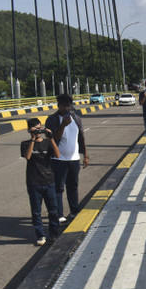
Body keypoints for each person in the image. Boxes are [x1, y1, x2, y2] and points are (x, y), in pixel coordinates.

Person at [46, 94, 89, 222]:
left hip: (74, 159)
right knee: (58, 188)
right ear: (58, 106)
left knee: (73, 186)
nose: (67, 108)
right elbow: (53, 139)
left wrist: (85, 155)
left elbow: (81, 138)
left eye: (69, 106)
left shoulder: (76, 118)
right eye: (64, 105)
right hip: (58, 160)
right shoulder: (52, 119)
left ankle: (74, 211)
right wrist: (63, 125)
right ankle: (59, 215)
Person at [20, 118, 61, 246]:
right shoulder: (25, 144)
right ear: (29, 130)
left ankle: (54, 233)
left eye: (39, 128)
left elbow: (58, 155)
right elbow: (27, 157)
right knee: (36, 211)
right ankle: (40, 235)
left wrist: (52, 138)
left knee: (53, 210)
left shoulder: (48, 142)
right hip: (34, 182)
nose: (38, 131)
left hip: (49, 181)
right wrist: (33, 139)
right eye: (34, 129)